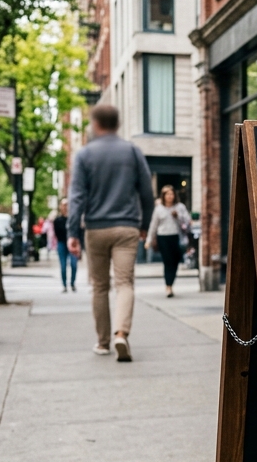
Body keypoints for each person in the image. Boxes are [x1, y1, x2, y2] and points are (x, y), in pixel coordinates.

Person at [67, 104, 153, 362]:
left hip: (95, 228)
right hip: (126, 227)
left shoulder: (84, 155)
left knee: (100, 286)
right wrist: (144, 225)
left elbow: (77, 198)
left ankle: (103, 342)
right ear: (117, 124)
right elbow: (147, 193)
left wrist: (72, 231)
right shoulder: (132, 152)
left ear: (95, 124)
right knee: (124, 283)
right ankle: (120, 334)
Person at [146, 185, 190, 297]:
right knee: (168, 261)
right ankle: (168, 286)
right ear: (163, 196)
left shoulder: (180, 207)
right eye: (167, 194)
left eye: (171, 194)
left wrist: (178, 216)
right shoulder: (159, 209)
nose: (170, 196)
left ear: (175, 195)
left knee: (175, 261)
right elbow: (153, 225)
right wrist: (149, 240)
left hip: (176, 237)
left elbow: (188, 221)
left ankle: (170, 283)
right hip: (163, 237)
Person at [53, 199, 76, 292]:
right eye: (63, 205)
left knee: (74, 265)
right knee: (63, 265)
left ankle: (72, 283)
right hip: (62, 243)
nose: (65, 207)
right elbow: (57, 233)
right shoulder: (57, 220)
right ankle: (64, 284)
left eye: (67, 205)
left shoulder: (73, 219)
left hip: (72, 243)